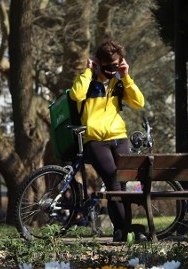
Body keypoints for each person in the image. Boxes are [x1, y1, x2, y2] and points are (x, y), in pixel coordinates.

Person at [69, 39, 145, 242]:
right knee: (113, 180)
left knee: (123, 182)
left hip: (119, 138)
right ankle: (125, 229)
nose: (113, 69)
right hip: (95, 140)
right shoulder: (88, 81)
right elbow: (75, 95)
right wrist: (88, 71)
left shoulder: (119, 82)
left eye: (116, 64)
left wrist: (126, 76)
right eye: (109, 66)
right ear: (100, 63)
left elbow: (139, 102)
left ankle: (121, 231)